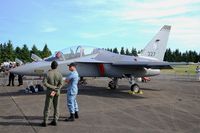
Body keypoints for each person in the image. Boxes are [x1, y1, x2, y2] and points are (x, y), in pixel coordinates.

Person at [41, 61, 63, 127]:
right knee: (56, 107)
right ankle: (55, 120)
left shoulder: (48, 73)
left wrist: (52, 87)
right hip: (57, 92)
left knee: (47, 107)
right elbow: (61, 83)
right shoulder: (59, 74)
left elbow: (44, 83)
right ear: (57, 66)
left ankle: (45, 121)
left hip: (50, 92)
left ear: (51, 66)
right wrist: (56, 88)